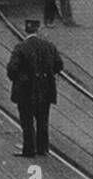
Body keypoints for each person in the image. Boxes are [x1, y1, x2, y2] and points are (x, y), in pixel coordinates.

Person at [6, 19, 63, 157]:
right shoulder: (49, 46)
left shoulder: (20, 47)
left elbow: (12, 69)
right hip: (45, 90)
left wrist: (19, 80)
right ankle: (42, 148)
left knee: (27, 121)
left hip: (26, 90)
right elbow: (59, 65)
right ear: (38, 29)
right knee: (43, 120)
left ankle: (29, 149)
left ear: (26, 30)